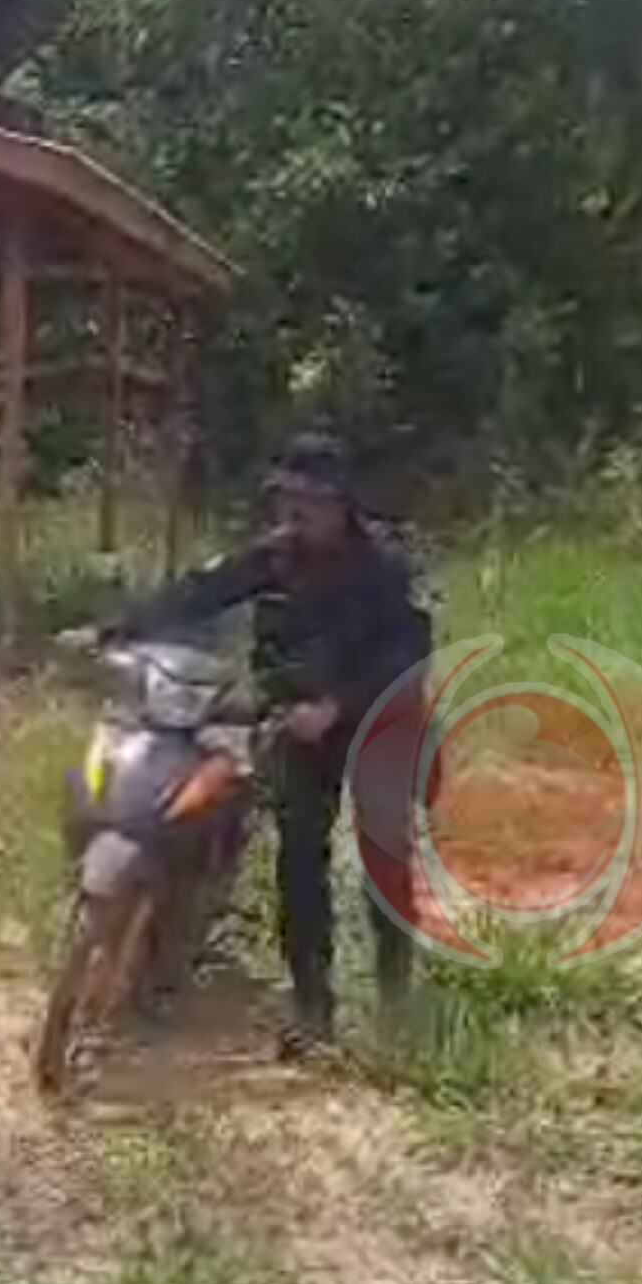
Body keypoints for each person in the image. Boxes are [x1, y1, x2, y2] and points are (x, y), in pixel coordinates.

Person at [103, 429, 435, 1058]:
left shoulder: (387, 567)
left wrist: (337, 705)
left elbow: (410, 652)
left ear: (341, 502)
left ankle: (396, 1005)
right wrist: (120, 626)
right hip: (300, 723)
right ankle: (313, 1010)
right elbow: (203, 592)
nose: (293, 511)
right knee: (299, 860)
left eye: (308, 499)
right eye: (285, 497)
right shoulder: (276, 557)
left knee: (385, 860)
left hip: (380, 719)